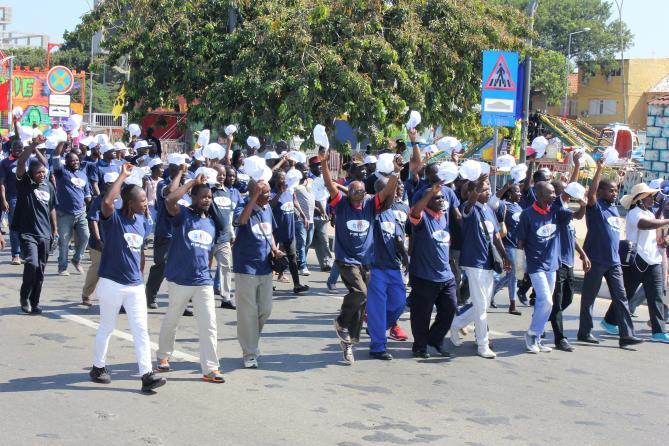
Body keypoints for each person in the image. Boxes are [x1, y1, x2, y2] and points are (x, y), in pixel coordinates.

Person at [89, 163, 166, 393]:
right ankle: (98, 367)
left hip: (134, 286)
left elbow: (139, 251)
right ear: (130, 203)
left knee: (141, 330)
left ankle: (146, 374)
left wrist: (139, 274)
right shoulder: (114, 220)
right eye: (142, 201)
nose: (146, 203)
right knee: (107, 327)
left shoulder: (142, 221)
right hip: (111, 283)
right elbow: (106, 202)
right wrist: (123, 175)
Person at [321, 147, 401, 365]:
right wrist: (324, 162)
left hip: (366, 261)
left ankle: (347, 341)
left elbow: (386, 193)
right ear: (349, 192)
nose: (360, 194)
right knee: (360, 292)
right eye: (355, 191)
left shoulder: (370, 205)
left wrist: (395, 172)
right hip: (346, 260)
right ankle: (340, 321)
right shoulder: (341, 204)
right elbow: (329, 184)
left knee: (361, 303)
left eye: (362, 192)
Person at [156, 169, 225, 383]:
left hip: (202, 280)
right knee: (172, 320)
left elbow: (209, 252)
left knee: (209, 324)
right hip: (179, 279)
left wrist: (206, 268)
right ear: (192, 197)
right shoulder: (182, 215)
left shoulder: (212, 222)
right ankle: (163, 356)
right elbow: (170, 199)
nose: (206, 199)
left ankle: (211, 368)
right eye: (203, 196)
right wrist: (191, 182)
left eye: (209, 197)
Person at [577, 158, 642, 348]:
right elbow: (591, 193)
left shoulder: (614, 208)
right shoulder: (595, 206)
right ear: (600, 192)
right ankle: (585, 332)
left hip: (614, 262)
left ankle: (626, 335)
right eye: (611, 190)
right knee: (589, 298)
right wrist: (599, 170)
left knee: (621, 298)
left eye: (615, 190)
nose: (614, 193)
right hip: (595, 260)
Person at [449, 174, 511, 359]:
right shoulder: (468, 208)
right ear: (472, 193)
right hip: (474, 262)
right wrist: (476, 188)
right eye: (484, 189)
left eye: (488, 189)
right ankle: (483, 344)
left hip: (489, 262)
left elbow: (496, 236)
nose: (488, 192)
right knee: (482, 306)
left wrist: (505, 256)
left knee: (481, 302)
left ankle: (455, 323)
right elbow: (470, 203)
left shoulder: (488, 210)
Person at [517, 181, 583, 353]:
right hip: (536, 266)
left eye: (554, 192)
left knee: (546, 303)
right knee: (545, 300)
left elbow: (577, 216)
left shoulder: (556, 211)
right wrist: (519, 270)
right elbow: (520, 243)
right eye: (550, 193)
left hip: (552, 265)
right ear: (538, 195)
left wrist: (583, 203)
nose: (554, 196)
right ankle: (532, 333)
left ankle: (537, 338)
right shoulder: (527, 215)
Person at [601, 183, 669, 343]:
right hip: (636, 260)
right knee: (626, 294)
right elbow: (644, 226)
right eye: (649, 197)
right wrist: (666, 221)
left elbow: (653, 231)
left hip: (653, 260)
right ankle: (609, 321)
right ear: (639, 200)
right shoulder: (634, 214)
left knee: (656, 297)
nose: (653, 200)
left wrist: (662, 240)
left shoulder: (650, 213)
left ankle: (658, 332)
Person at [233, 178, 284, 369]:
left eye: (269, 192)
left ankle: (251, 342)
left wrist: (274, 248)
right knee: (247, 313)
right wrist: (254, 197)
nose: (268, 196)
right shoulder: (242, 205)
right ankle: (249, 353)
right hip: (246, 267)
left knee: (264, 310)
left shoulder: (267, 208)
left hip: (265, 266)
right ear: (254, 192)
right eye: (264, 192)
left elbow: (268, 231)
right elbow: (241, 221)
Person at [408, 182, 458, 358]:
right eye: (437, 198)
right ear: (427, 200)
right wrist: (430, 194)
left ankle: (435, 339)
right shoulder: (421, 218)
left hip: (445, 275)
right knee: (422, 314)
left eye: (442, 197)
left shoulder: (443, 216)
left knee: (450, 307)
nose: (441, 200)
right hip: (424, 276)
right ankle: (420, 346)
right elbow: (415, 211)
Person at [366, 176, 409, 360]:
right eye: (390, 191)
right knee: (377, 308)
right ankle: (378, 346)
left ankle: (377, 327)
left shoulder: (393, 212)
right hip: (375, 267)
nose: (394, 193)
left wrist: (406, 257)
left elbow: (398, 237)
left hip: (393, 266)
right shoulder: (370, 210)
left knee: (399, 304)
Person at [11, 140, 56, 314]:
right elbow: (21, 162)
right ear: (30, 173)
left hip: (45, 234)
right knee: (32, 264)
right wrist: (32, 146)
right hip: (28, 232)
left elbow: (51, 208)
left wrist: (55, 230)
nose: (42, 174)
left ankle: (34, 302)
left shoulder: (49, 186)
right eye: (38, 172)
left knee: (41, 271)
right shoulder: (24, 183)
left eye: (44, 172)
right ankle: (24, 297)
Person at [145, 155, 193, 314]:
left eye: (184, 168)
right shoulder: (162, 184)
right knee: (162, 266)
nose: (184, 171)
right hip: (165, 234)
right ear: (171, 169)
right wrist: (179, 174)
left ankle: (182, 303)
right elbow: (171, 192)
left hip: (182, 235)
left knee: (182, 268)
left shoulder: (186, 188)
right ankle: (150, 295)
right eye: (180, 168)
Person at [52, 143, 92, 275]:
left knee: (86, 236)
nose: (75, 162)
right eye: (72, 160)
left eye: (77, 160)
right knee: (64, 241)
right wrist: (62, 143)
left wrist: (92, 205)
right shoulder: (62, 172)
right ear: (67, 162)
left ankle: (76, 260)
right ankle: (62, 267)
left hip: (81, 213)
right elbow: (56, 156)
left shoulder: (83, 175)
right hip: (64, 213)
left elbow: (87, 195)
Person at [81, 172, 121, 307]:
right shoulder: (100, 200)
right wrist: (98, 239)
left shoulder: (122, 198)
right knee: (98, 268)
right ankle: (86, 294)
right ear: (107, 185)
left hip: (118, 241)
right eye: (113, 183)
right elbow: (93, 220)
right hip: (100, 241)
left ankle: (114, 297)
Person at [269, 169, 309, 294]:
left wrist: (303, 216)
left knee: (292, 257)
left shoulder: (290, 191)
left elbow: (295, 202)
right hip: (276, 231)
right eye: (281, 178)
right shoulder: (271, 193)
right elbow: (271, 205)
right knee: (271, 258)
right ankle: (268, 284)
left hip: (289, 229)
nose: (284, 180)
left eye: (285, 178)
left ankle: (297, 285)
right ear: (275, 180)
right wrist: (280, 193)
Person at [209, 163, 241, 309]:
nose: (221, 177)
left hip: (224, 238)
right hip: (208, 237)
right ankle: (196, 294)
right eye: (218, 174)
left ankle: (226, 298)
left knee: (226, 267)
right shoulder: (208, 190)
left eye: (223, 174)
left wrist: (231, 232)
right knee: (203, 267)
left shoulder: (228, 192)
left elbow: (230, 215)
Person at [490, 180, 523, 315]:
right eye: (516, 191)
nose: (520, 193)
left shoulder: (518, 207)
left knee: (513, 275)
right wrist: (505, 188)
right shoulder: (504, 205)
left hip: (519, 246)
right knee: (514, 275)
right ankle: (512, 305)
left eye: (520, 191)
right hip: (508, 245)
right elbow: (494, 203)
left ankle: (491, 293)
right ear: (509, 194)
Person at [0, 140, 25, 265]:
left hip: (27, 198)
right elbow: (2, 183)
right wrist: (4, 200)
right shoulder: (5, 163)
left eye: (20, 147)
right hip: (13, 199)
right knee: (14, 227)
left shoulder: (28, 161)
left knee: (27, 227)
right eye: (15, 147)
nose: (17, 149)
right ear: (11, 148)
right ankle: (15, 254)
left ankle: (25, 253)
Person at [307, 156, 333, 271]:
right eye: (317, 165)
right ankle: (301, 263)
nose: (320, 167)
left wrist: (330, 212)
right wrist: (321, 210)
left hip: (323, 216)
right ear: (311, 167)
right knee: (307, 241)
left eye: (320, 165)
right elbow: (313, 199)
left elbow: (329, 196)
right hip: (311, 215)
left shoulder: (324, 178)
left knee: (323, 240)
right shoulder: (308, 180)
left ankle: (326, 263)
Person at [294, 162, 316, 276]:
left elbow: (313, 198)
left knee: (308, 243)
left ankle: (301, 261)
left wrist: (321, 209)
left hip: (311, 218)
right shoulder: (294, 184)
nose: (306, 172)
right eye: (304, 170)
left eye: (307, 170)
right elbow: (295, 201)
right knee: (302, 242)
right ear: (297, 170)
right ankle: (303, 266)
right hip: (300, 218)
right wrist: (303, 216)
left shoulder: (310, 181)